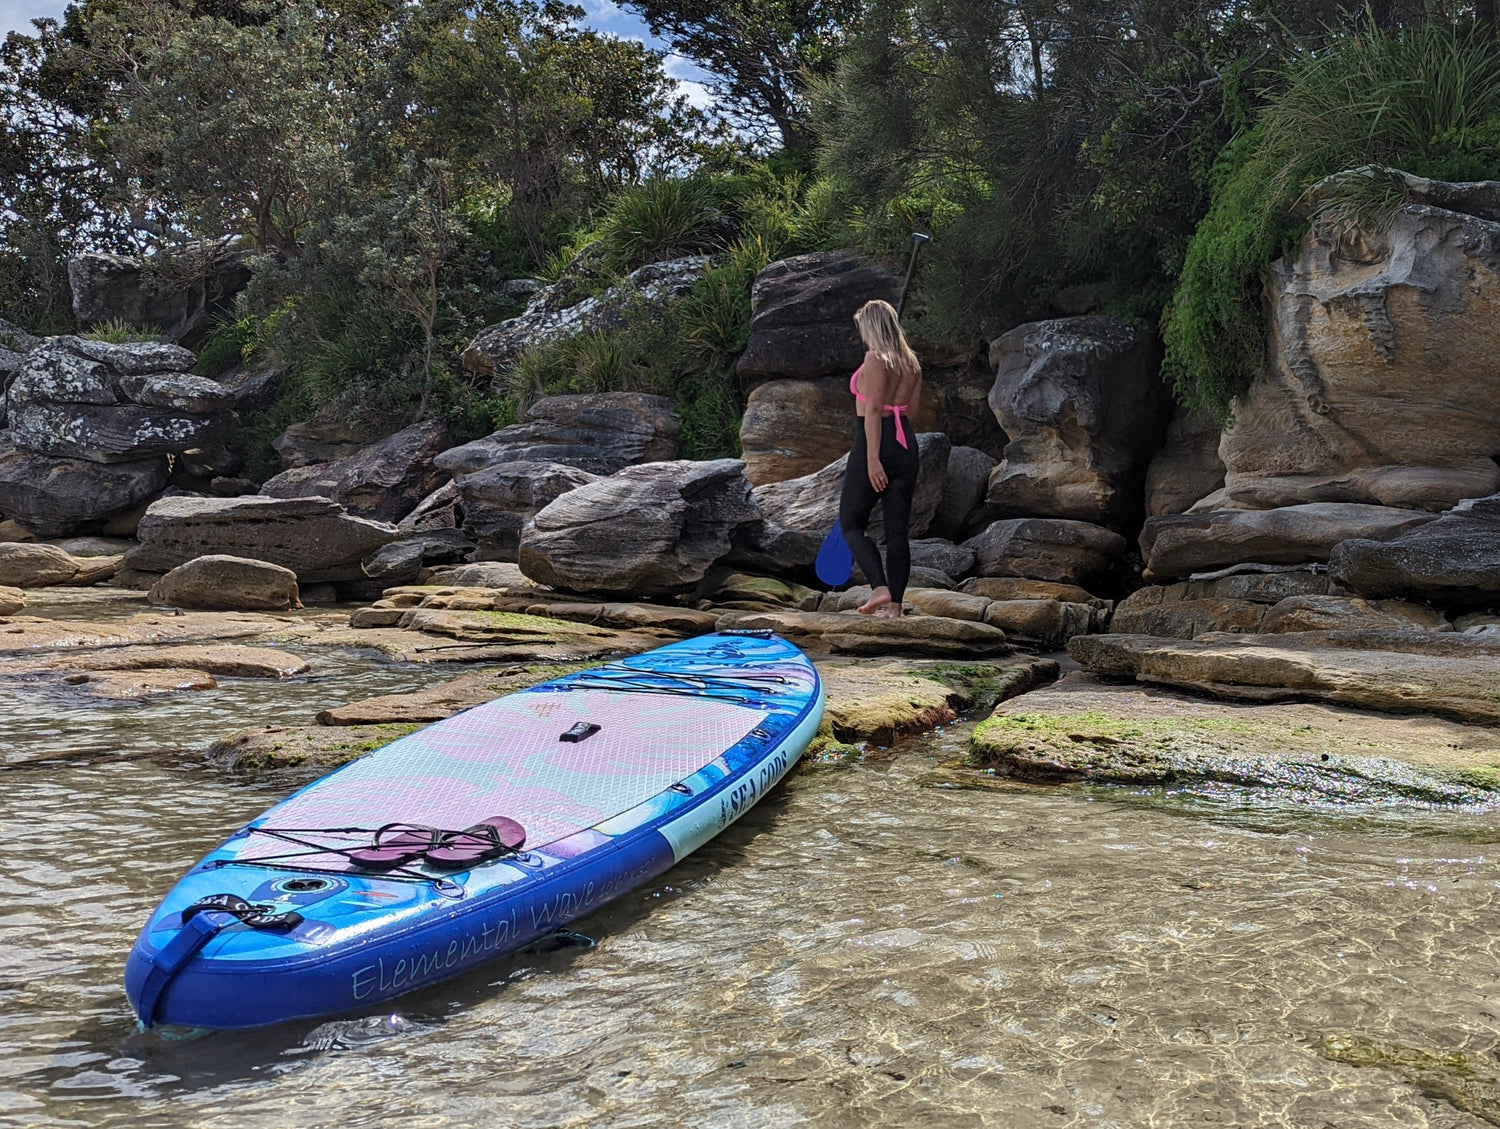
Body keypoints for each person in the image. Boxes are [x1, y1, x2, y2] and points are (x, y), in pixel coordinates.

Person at [839, 298, 923, 619]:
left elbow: (873, 410)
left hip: (875, 443)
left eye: (863, 329)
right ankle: (895, 608)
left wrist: (872, 459)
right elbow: (911, 411)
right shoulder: (911, 364)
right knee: (897, 531)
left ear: (872, 327)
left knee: (851, 524)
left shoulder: (875, 359)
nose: (862, 337)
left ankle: (879, 587)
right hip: (906, 446)